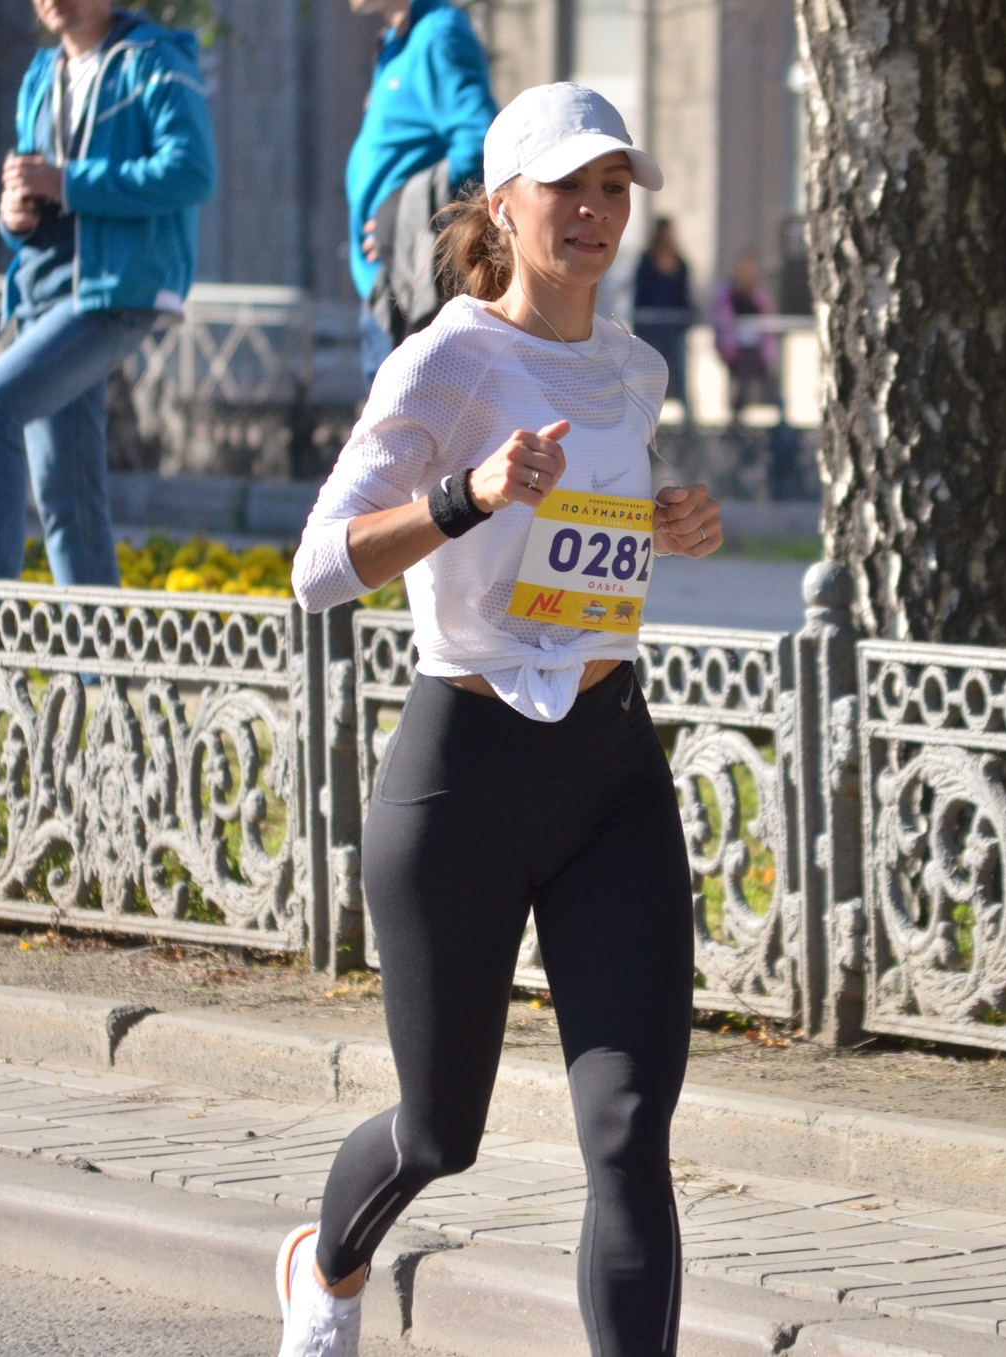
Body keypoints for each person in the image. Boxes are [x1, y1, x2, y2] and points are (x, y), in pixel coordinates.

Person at [281, 84, 723, 1357]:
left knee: (629, 1132)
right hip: (460, 772)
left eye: (611, 190)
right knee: (439, 1134)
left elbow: (592, 548)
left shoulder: (631, 370)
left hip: (606, 771)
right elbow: (317, 569)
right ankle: (327, 1265)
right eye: (565, 189)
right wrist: (463, 498)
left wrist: (671, 523)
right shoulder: (447, 358)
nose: (591, 214)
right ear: (504, 206)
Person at [0, 0, 215, 585]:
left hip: (115, 288)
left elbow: (192, 170)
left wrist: (68, 182)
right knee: (67, 497)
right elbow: (30, 193)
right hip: (43, 289)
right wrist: (13, 215)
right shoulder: (39, 74)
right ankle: (103, 675)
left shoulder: (154, 60)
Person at [345, 0, 498, 389]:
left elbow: (479, 140)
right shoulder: (398, 42)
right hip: (387, 284)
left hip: (411, 285)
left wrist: (400, 217)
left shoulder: (439, 31)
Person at [631, 218, 691, 407]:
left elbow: (685, 295)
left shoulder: (680, 262)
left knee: (680, 377)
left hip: (674, 328)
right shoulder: (646, 261)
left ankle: (688, 427)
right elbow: (640, 293)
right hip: (650, 330)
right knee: (647, 378)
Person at [712, 252, 778, 419]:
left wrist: (769, 351)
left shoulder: (759, 295)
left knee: (761, 391)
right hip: (736, 350)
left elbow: (766, 322)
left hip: (756, 350)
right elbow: (724, 320)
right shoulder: (729, 293)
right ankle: (737, 430)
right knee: (737, 392)